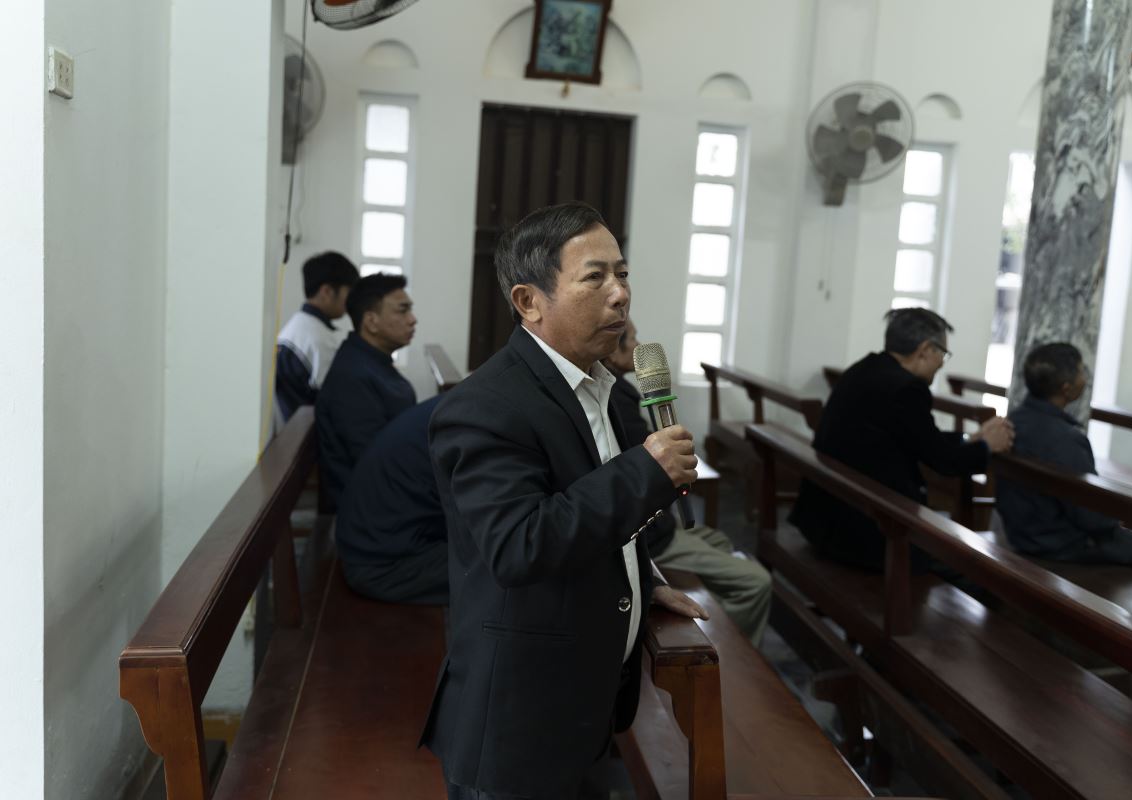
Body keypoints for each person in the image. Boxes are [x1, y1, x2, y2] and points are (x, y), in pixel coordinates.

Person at [422, 202, 707, 799]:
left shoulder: (599, 388)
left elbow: (586, 507)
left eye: (622, 274)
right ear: (529, 301)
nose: (620, 294)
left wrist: (641, 578)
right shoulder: (486, 406)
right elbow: (520, 544)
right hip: (520, 725)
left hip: (585, 708)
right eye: (594, 277)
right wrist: (647, 471)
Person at [790, 307, 1014, 572]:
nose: (942, 363)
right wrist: (988, 446)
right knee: (975, 568)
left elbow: (915, 437)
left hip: (827, 517)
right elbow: (945, 463)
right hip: (867, 534)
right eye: (943, 353)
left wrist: (970, 438)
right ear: (925, 350)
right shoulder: (907, 389)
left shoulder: (864, 369)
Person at [604, 320, 772, 645]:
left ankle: (713, 620)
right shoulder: (616, 397)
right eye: (632, 339)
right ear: (613, 351)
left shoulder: (617, 390)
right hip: (653, 538)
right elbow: (650, 466)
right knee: (756, 582)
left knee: (720, 542)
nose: (638, 346)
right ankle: (724, 652)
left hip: (659, 525)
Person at [996, 342, 1132, 568]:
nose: (1085, 379)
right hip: (1061, 545)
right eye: (1081, 371)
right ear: (1066, 389)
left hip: (1021, 535)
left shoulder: (1014, 420)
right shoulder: (1066, 439)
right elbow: (1093, 517)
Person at [316, 273, 418, 507]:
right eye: (402, 310)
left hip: (389, 491)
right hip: (371, 507)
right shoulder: (351, 377)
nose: (413, 320)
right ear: (371, 322)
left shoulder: (369, 361)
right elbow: (374, 459)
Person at [335, 396, 448, 605]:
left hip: (371, 545)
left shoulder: (455, 407)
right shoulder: (471, 419)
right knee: (499, 573)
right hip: (382, 566)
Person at [274, 251, 359, 424]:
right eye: (349, 292)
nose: (352, 301)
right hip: (304, 431)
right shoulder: (316, 338)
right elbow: (334, 402)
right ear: (327, 291)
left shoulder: (299, 327)